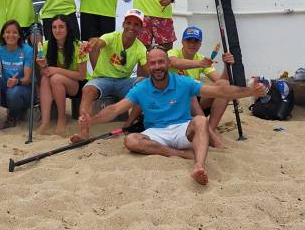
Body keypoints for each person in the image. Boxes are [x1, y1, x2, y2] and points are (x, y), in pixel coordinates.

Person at [78, 47, 267, 185]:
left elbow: (220, 91)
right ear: (148, 66)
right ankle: (182, 155)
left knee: (200, 120)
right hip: (156, 132)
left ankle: (198, 166)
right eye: (153, 63)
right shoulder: (142, 88)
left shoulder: (183, 82)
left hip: (182, 130)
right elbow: (115, 109)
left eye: (161, 62)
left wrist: (250, 91)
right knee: (131, 140)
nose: (157, 66)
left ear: (168, 63)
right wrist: (91, 120)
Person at [70, 9, 148, 143]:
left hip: (123, 81)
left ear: (140, 28)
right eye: (129, 23)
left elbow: (146, 69)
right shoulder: (112, 36)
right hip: (102, 79)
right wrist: (91, 44)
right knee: (88, 90)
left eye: (136, 25)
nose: (131, 27)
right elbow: (98, 41)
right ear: (123, 24)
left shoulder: (141, 48)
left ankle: (128, 124)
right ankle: (84, 132)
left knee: (144, 84)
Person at [168, 26, 235, 148]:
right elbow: (174, 62)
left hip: (194, 102)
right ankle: (207, 133)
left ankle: (209, 130)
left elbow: (220, 82)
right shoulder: (174, 52)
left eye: (196, 41)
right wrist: (199, 64)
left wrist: (227, 66)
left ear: (200, 44)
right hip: (174, 102)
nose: (192, 44)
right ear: (182, 42)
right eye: (189, 40)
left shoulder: (201, 58)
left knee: (224, 86)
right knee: (189, 92)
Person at [36, 14, 88, 137]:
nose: (57, 30)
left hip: (78, 85)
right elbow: (46, 73)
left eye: (61, 27)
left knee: (56, 78)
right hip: (57, 84)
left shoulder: (79, 46)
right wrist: (43, 66)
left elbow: (81, 75)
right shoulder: (47, 45)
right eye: (54, 27)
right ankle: (45, 122)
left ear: (68, 28)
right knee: (45, 79)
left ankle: (61, 120)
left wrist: (56, 70)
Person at [0, 20, 33, 136]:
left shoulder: (27, 50)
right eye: (7, 32)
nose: (11, 35)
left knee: (13, 90)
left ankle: (12, 118)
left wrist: (17, 81)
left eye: (14, 32)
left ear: (19, 35)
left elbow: (28, 79)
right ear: (3, 35)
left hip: (24, 91)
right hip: (7, 90)